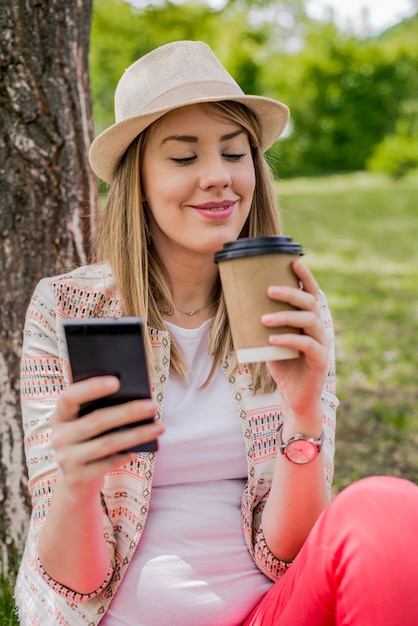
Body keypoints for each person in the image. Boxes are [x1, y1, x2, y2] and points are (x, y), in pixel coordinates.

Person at [15, 40, 418, 626]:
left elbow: (290, 553)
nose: (218, 178)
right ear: (139, 181)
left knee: (390, 508)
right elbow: (78, 584)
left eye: (235, 153)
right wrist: (76, 486)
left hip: (268, 613)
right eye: (183, 158)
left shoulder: (293, 304)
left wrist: (303, 413)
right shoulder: (69, 307)